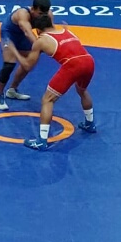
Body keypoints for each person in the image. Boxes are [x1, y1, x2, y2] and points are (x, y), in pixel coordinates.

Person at [7, 13, 96, 151]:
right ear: (51, 24)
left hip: (73, 65)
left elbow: (28, 66)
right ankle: (90, 124)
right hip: (89, 61)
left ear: (37, 30)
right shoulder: (67, 31)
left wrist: (14, 51)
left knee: (47, 100)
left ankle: (41, 141)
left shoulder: (41, 40)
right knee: (82, 90)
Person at [0, 0, 51, 110]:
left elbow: (49, 31)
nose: (42, 16)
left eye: (44, 14)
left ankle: (12, 90)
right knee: (9, 65)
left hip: (21, 36)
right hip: (9, 34)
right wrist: (41, 46)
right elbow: (27, 32)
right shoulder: (23, 14)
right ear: (32, 9)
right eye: (40, 13)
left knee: (30, 61)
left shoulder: (48, 15)